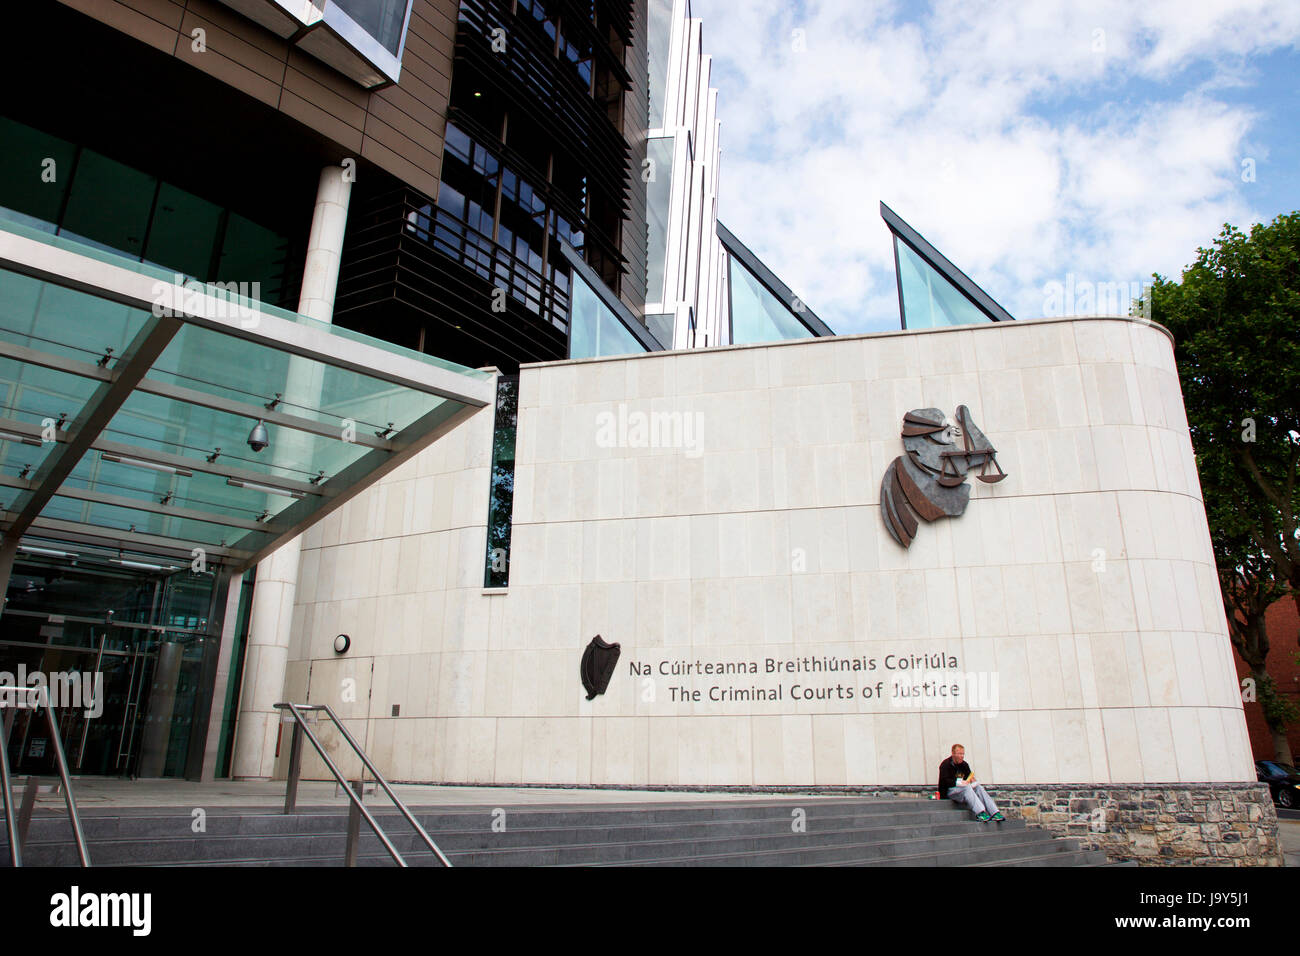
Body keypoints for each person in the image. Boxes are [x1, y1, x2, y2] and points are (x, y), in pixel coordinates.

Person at [938, 744, 1004, 822]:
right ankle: (980, 813)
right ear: (953, 753)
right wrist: (959, 783)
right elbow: (945, 781)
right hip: (950, 791)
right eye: (959, 754)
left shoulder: (964, 764)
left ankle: (995, 812)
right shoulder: (945, 764)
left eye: (963, 754)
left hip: (963, 790)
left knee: (978, 787)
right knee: (966, 787)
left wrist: (975, 783)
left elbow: (970, 777)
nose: (962, 756)